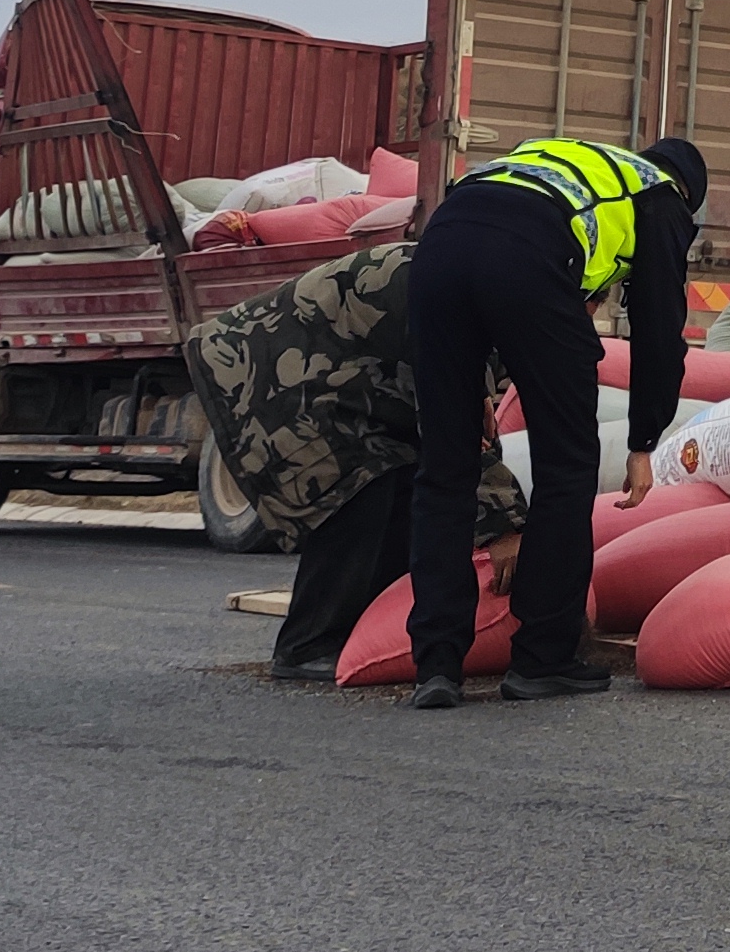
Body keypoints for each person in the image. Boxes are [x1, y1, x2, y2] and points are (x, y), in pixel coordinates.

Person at [404, 134, 708, 708]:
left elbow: (490, 254)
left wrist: (476, 388)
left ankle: (436, 665)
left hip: (437, 250)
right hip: (523, 261)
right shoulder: (661, 196)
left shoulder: (569, 162)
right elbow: (658, 332)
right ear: (688, 191)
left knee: (445, 468)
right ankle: (543, 658)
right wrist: (644, 438)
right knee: (566, 466)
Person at [179, 240, 526, 682]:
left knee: (402, 479)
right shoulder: (462, 292)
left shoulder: (484, 276)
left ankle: (367, 629)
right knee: (355, 486)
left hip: (345, 380)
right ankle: (307, 645)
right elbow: (453, 426)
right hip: (275, 371)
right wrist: (505, 525)